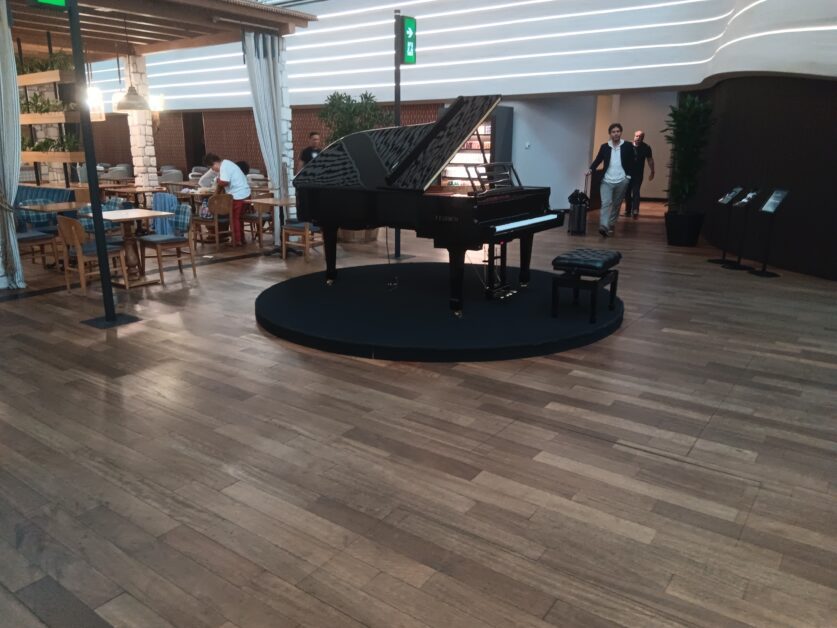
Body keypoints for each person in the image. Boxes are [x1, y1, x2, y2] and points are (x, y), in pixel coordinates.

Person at [587, 122, 636, 238]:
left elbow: (632, 162)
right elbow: (598, 159)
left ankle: (611, 223)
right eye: (613, 132)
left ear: (621, 132)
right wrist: (590, 169)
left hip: (622, 180)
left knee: (616, 204)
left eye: (618, 131)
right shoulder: (605, 147)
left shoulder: (628, 146)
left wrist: (628, 177)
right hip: (607, 180)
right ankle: (604, 226)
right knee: (606, 202)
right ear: (610, 134)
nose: (616, 134)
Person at [203, 153, 251, 247]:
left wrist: (217, 181)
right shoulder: (227, 163)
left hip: (238, 195)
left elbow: (224, 182)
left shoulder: (224, 167)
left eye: (212, 167)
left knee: (234, 219)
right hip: (245, 194)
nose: (213, 170)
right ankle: (241, 239)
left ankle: (236, 241)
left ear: (214, 163)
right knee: (239, 218)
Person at [624, 130, 655, 219]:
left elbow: (650, 160)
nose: (637, 138)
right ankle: (628, 209)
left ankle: (635, 210)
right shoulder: (628, 145)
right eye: (636, 136)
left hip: (638, 173)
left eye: (640, 136)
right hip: (627, 173)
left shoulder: (646, 147)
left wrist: (652, 171)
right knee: (627, 192)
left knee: (636, 191)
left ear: (642, 138)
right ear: (634, 136)